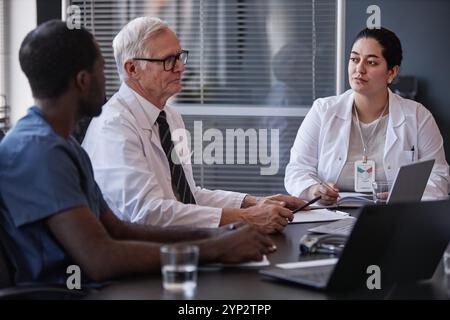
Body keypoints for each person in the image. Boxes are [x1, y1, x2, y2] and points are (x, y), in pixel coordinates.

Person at [0, 20, 276, 286]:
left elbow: (119, 230)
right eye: (104, 69)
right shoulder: (40, 151)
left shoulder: (65, 144)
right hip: (67, 292)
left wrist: (221, 234)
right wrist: (215, 247)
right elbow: (101, 257)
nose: (109, 80)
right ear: (83, 80)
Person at [82, 17, 306, 233]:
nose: (180, 67)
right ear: (132, 69)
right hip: (139, 255)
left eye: (180, 57)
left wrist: (252, 203)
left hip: (175, 242)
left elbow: (187, 195)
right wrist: (247, 218)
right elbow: (146, 213)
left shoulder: (169, 116)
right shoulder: (114, 127)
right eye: (168, 60)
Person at [285, 27, 449, 205]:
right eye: (354, 59)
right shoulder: (323, 110)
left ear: (392, 72)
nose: (359, 69)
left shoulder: (417, 116)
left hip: (392, 217)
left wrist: (405, 196)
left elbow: (439, 177)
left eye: (371, 62)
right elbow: (297, 170)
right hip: (331, 215)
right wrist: (314, 190)